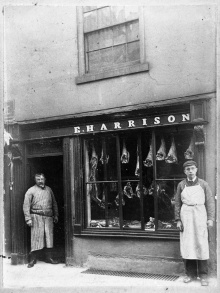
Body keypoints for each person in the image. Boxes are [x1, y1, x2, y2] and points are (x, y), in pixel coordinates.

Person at [175, 161, 215, 286]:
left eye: (192, 168)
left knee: (201, 244)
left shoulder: (203, 184)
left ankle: (203, 275)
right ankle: (190, 274)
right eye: (188, 169)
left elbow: (210, 202)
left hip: (200, 215)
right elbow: (177, 203)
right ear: (185, 171)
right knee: (188, 244)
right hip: (186, 215)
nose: (190, 171)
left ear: (196, 169)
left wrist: (210, 218)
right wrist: (178, 220)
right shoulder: (181, 185)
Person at [23, 173, 59, 268]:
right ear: (35, 180)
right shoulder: (30, 191)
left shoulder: (49, 190)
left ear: (45, 179)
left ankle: (49, 258)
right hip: (36, 217)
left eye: (42, 179)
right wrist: (28, 219)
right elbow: (26, 205)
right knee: (36, 238)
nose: (40, 181)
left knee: (49, 238)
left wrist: (56, 215)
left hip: (48, 217)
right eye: (38, 179)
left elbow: (54, 203)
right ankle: (33, 259)